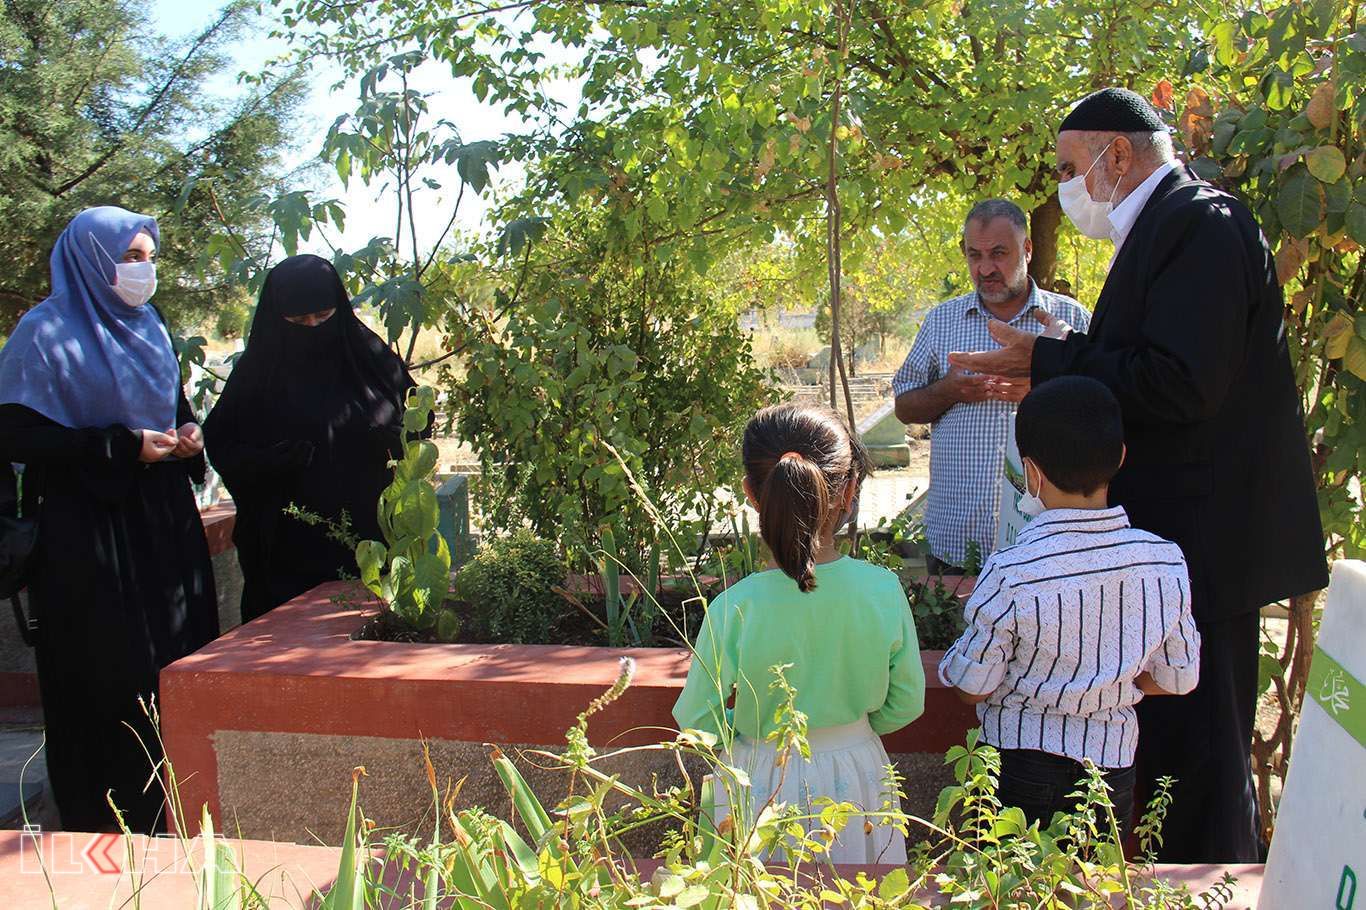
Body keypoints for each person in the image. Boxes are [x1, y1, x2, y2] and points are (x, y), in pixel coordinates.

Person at [949, 87, 1328, 862]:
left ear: (1118, 154)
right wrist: (1063, 356)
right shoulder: (1165, 230)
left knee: (1203, 772)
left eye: (1067, 166)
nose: (1062, 186)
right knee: (1169, 774)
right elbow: (1152, 363)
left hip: (1212, 548)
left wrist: (1050, 360)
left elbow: (1185, 381)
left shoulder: (1203, 225)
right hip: (1185, 543)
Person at [0, 206, 219, 833]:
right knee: (104, 673)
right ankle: (104, 815)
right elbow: (14, 432)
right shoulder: (44, 334)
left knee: (172, 662)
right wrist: (116, 445)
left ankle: (179, 806)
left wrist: (186, 436)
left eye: (150, 257)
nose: (143, 271)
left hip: (161, 526)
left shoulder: (150, 327)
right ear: (93, 260)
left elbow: (170, 405)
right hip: (87, 534)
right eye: (131, 257)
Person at [938, 377, 1200, 839]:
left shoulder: (1011, 571)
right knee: (1091, 888)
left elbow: (971, 685)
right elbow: (1179, 676)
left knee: (1010, 888)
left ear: (1031, 474)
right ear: (1120, 456)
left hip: (1017, 767)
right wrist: (1110, 682)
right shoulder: (1164, 561)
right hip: (1111, 770)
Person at [673, 402, 924, 864]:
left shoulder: (734, 605)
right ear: (848, 491)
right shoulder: (882, 591)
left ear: (751, 492)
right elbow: (907, 701)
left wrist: (750, 734)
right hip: (858, 770)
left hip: (757, 781)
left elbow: (698, 718)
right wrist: (852, 729)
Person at [204, 254, 418, 623]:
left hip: (372, 547)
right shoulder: (258, 373)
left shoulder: (368, 356)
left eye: (323, 317)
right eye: (299, 322)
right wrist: (270, 461)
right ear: (277, 319)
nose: (314, 328)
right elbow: (222, 444)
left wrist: (392, 439)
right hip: (288, 555)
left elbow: (418, 419)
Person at [892, 199, 1091, 575]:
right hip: (957, 545)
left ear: (1028, 249)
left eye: (999, 254)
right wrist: (949, 390)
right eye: (974, 255)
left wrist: (1044, 387)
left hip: (1051, 544)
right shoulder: (942, 321)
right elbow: (905, 406)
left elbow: (1101, 411)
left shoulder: (1069, 320)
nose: (985, 268)